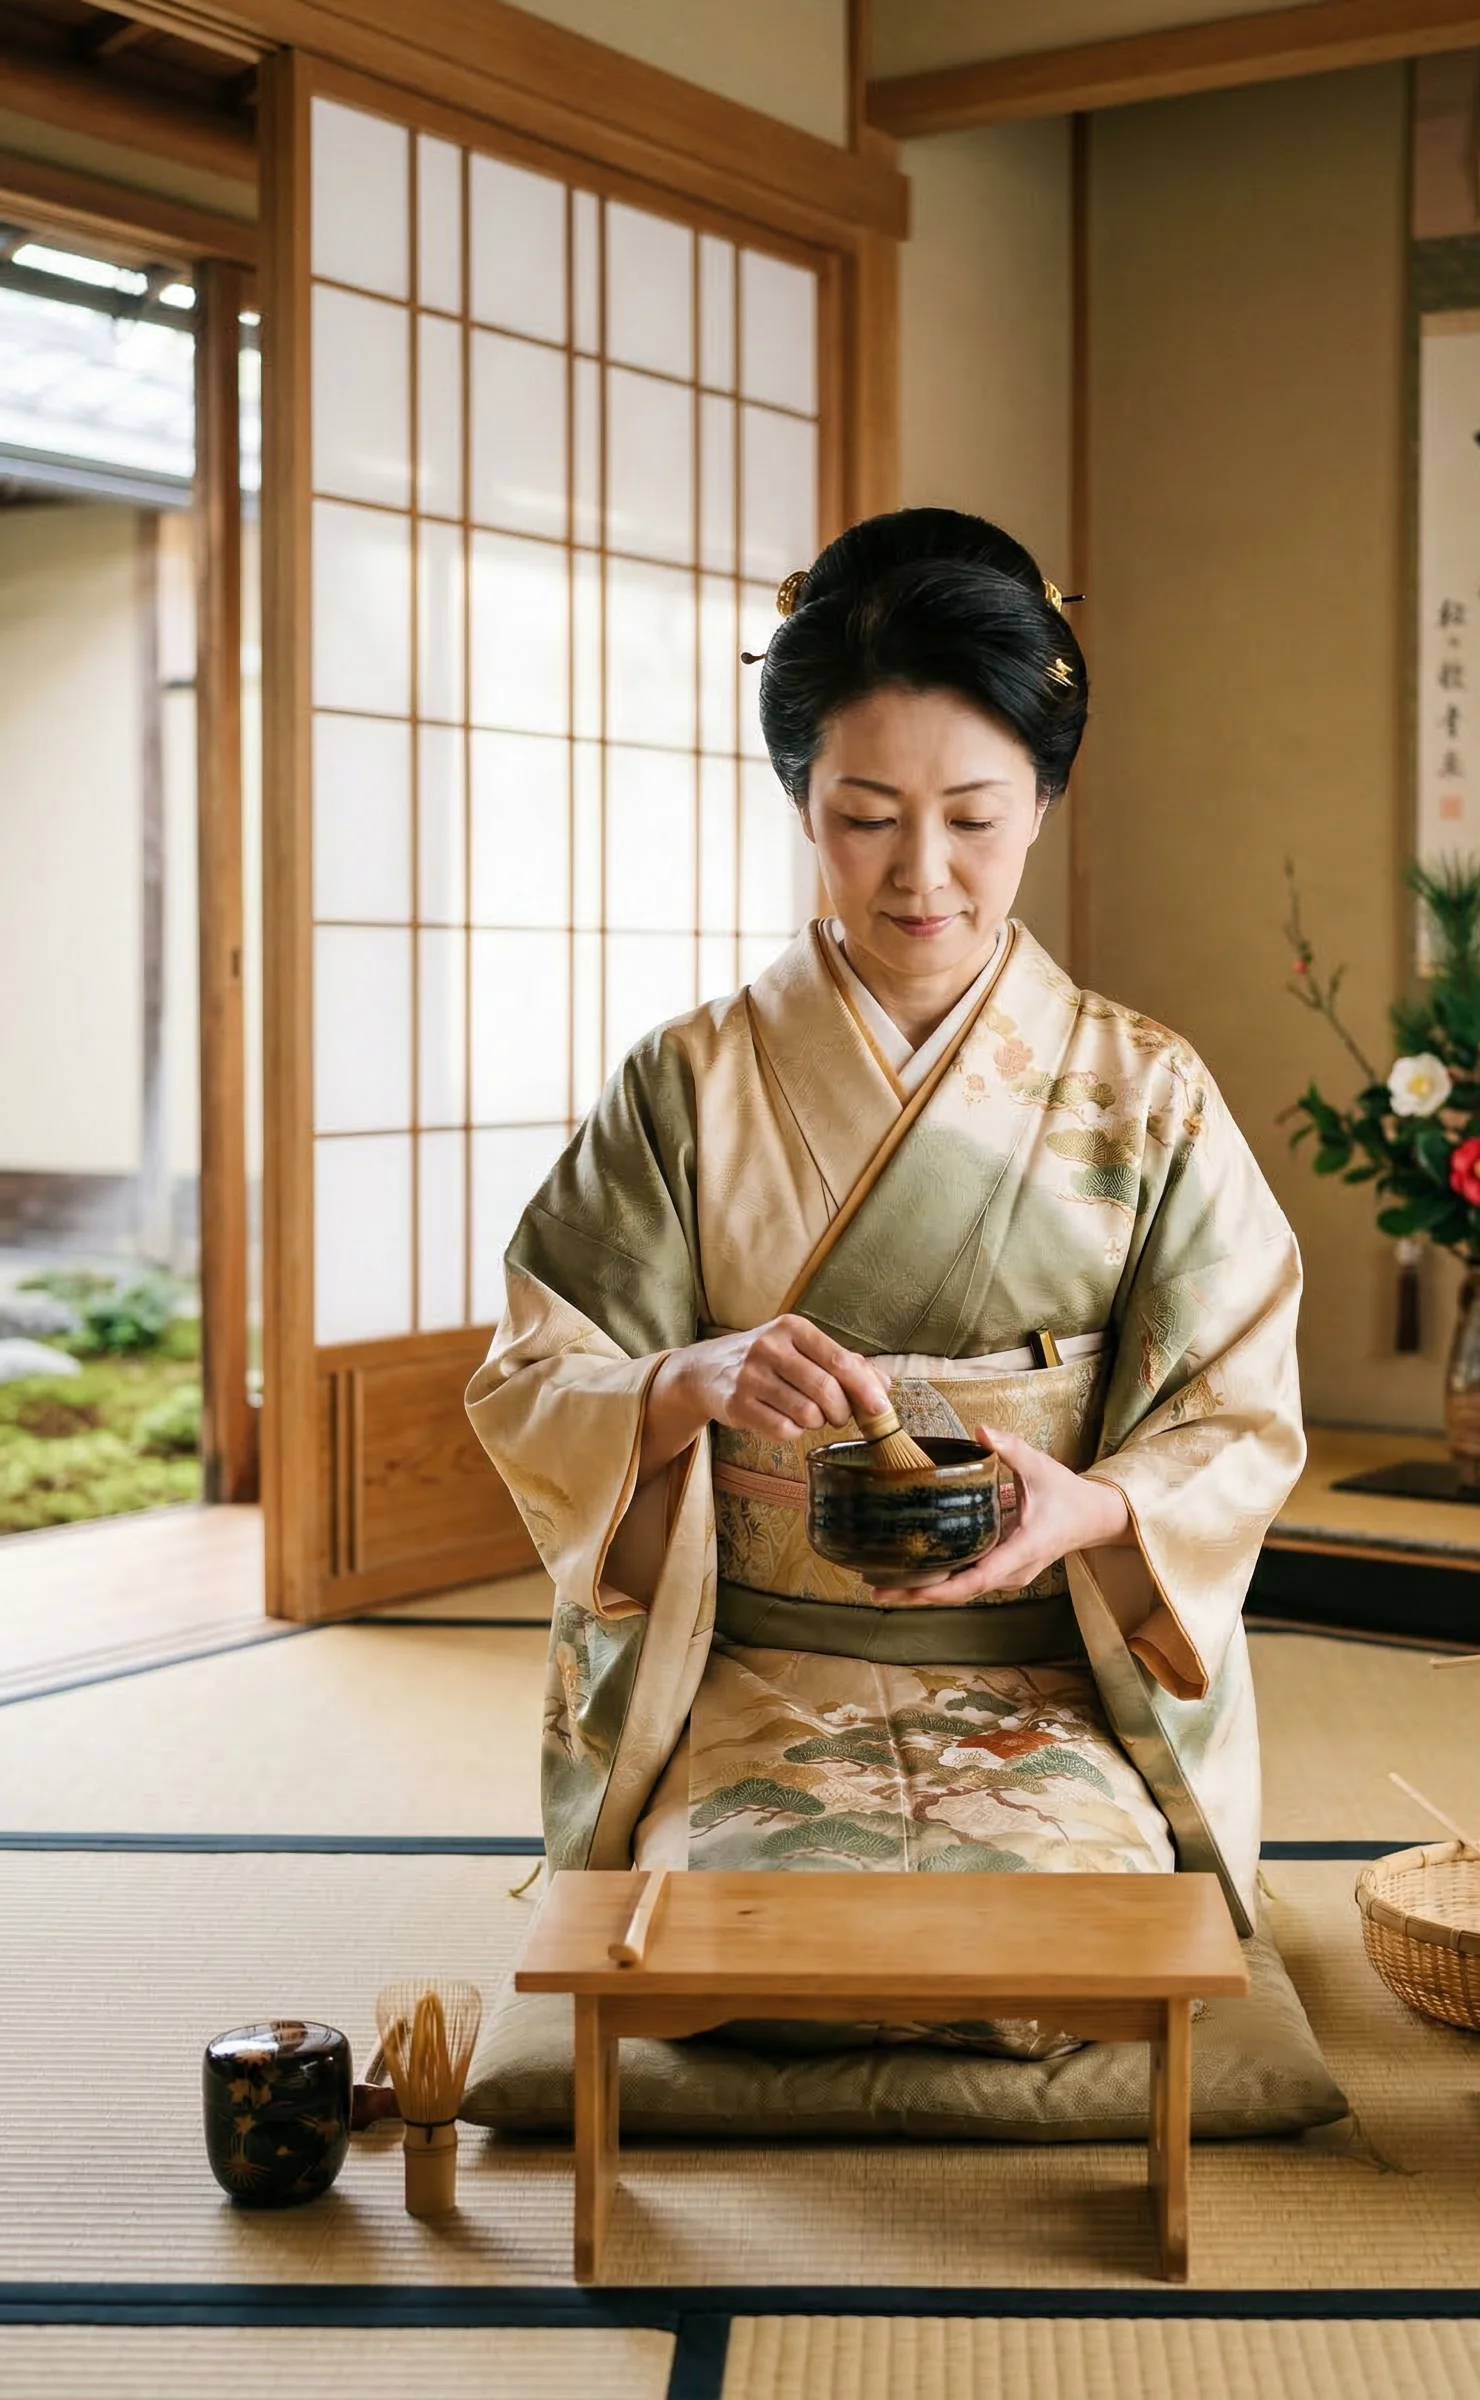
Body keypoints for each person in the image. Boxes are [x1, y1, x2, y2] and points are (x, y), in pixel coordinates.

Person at [468, 509, 1304, 2017]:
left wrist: (1094, 1505)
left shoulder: (1146, 1092)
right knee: (742, 1942)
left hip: (1054, 1662)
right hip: (753, 1666)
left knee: (1062, 1944)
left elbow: (1242, 1410)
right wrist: (679, 1383)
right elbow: (536, 1376)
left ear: (1046, 799)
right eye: (866, 815)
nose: (922, 873)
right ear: (800, 800)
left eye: (975, 817)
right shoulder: (685, 1085)